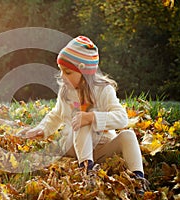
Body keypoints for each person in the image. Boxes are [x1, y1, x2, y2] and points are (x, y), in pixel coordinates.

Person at [20, 36, 148, 193]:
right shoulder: (66, 92)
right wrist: (42, 128)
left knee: (128, 135)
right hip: (74, 147)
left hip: (102, 149)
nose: (62, 77)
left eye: (68, 72)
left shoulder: (103, 90)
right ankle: (87, 172)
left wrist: (93, 117)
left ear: (85, 73)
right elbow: (56, 115)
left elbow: (122, 118)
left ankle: (138, 180)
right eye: (61, 71)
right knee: (81, 119)